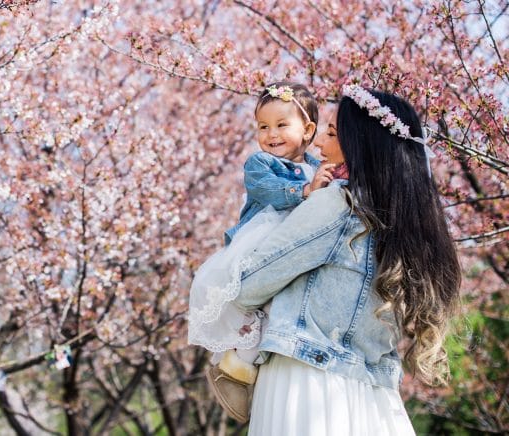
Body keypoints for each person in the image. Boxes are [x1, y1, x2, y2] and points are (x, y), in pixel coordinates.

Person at [234, 86, 461, 435]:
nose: (320, 146)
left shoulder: (336, 204)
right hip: (374, 396)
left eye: (331, 133)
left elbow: (249, 285)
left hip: (306, 381)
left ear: (358, 145)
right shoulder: (408, 228)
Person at [188, 81, 335, 422]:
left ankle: (242, 365)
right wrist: (304, 191)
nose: (271, 135)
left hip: (292, 242)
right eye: (263, 126)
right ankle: (239, 363)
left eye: (282, 125)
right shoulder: (260, 162)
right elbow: (265, 189)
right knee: (257, 298)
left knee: (278, 304)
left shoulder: (317, 165)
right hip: (261, 238)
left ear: (308, 130)